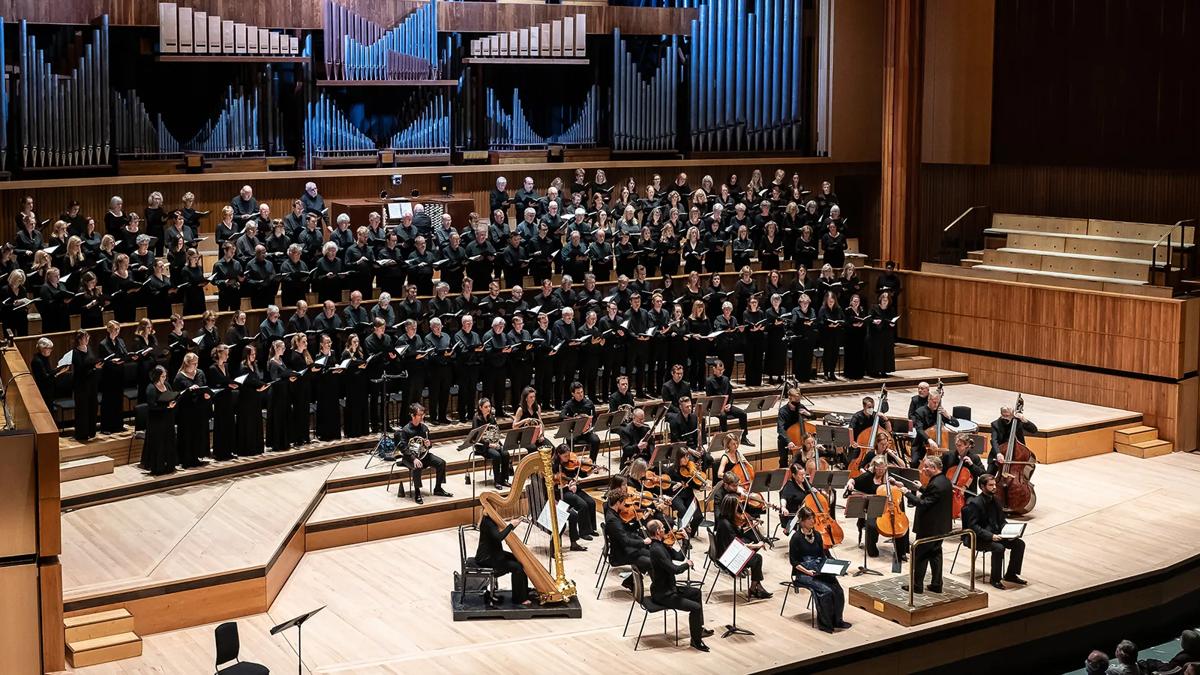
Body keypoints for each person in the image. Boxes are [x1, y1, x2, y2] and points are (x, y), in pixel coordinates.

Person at [644, 519, 712, 651]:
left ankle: (698, 629)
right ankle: (696, 641)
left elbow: (679, 557)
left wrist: (685, 540)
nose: (665, 530)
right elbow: (674, 570)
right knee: (696, 608)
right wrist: (688, 564)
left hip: (670, 588)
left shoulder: (661, 545)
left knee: (696, 592)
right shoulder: (657, 550)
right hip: (663, 594)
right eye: (663, 528)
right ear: (657, 531)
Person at [789, 506, 852, 633]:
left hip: (817, 569)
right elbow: (793, 562)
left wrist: (833, 568)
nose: (813, 521)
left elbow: (822, 556)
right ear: (802, 521)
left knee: (838, 590)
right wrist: (807, 572)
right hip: (802, 573)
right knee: (826, 591)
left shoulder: (817, 535)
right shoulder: (796, 538)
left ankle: (837, 620)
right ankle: (825, 623)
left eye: (813, 518)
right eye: (809, 519)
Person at [962, 473, 1026, 590]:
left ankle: (1011, 574)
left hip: (996, 534)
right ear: (982, 487)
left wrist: (1009, 531)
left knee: (1019, 544)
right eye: (991, 485)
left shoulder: (996, 500)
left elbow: (1001, 520)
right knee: (999, 548)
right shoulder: (975, 503)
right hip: (978, 538)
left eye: (995, 484)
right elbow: (973, 527)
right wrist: (991, 536)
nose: (994, 487)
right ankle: (995, 579)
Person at [899, 456, 953, 594]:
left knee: (921, 555)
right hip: (941, 526)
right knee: (935, 554)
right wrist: (921, 488)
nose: (923, 469)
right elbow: (934, 497)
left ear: (934, 468)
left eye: (926, 467)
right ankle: (936, 584)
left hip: (929, 527)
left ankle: (917, 586)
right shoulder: (945, 481)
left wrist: (907, 493)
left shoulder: (935, 484)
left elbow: (924, 503)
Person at [714, 494, 773, 599]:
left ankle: (756, 587)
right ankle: (754, 588)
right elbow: (737, 545)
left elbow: (737, 533)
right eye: (737, 506)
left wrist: (751, 527)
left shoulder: (724, 519)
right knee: (757, 558)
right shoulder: (726, 525)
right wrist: (756, 545)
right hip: (727, 558)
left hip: (727, 551)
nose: (739, 508)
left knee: (752, 541)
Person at [395, 404, 453, 504]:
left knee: (441, 463)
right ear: (413, 415)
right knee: (417, 466)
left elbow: (428, 446)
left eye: (423, 414)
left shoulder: (424, 428)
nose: (422, 417)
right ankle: (417, 492)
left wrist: (429, 444)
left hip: (423, 455)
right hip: (409, 458)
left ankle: (438, 488)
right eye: (419, 415)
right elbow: (403, 448)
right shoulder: (405, 430)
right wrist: (414, 459)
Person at [475, 514, 532, 607]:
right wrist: (511, 525)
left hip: (493, 553)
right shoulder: (488, 521)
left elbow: (499, 534)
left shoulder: (490, 518)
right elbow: (499, 537)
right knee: (517, 567)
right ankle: (519, 599)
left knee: (518, 558)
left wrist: (512, 526)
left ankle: (523, 591)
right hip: (487, 558)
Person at [551, 443, 597, 551]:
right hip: (562, 492)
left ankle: (590, 529)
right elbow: (554, 484)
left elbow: (581, 474)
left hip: (573, 488)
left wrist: (591, 471)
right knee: (582, 505)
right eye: (565, 456)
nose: (568, 458)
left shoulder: (572, 462)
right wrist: (568, 485)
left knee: (591, 502)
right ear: (559, 455)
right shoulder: (554, 466)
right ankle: (583, 532)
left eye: (568, 455)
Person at [141, 365, 179, 475]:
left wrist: (173, 402)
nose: (164, 378)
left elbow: (172, 396)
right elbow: (152, 406)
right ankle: (158, 467)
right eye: (162, 376)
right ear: (156, 376)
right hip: (156, 420)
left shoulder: (167, 384)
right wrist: (166, 407)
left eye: (165, 376)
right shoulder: (151, 388)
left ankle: (169, 465)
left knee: (169, 440)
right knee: (159, 443)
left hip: (168, 418)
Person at [705, 359, 751, 445]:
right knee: (723, 416)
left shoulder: (726, 379)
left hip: (727, 406)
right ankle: (726, 440)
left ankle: (744, 438)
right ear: (714, 369)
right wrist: (721, 407)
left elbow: (731, 394)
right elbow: (710, 398)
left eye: (722, 370)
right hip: (716, 408)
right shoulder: (709, 381)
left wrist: (729, 404)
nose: (721, 372)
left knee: (743, 413)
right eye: (719, 370)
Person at [234, 345, 268, 457]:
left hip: (255, 398)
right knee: (248, 424)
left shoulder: (254, 365)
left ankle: (256, 447)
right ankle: (247, 449)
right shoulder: (242, 367)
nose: (254, 356)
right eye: (252, 354)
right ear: (247, 354)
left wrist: (261, 387)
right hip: (246, 399)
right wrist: (257, 388)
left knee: (255, 422)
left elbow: (256, 380)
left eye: (254, 354)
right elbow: (243, 384)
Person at [96, 321, 128, 434]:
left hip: (119, 374)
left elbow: (124, 354)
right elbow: (102, 360)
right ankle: (106, 427)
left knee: (118, 400)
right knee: (108, 401)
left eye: (118, 329)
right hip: (109, 376)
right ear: (109, 330)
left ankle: (118, 425)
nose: (117, 332)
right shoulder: (103, 344)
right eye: (115, 329)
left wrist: (124, 358)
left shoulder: (120, 341)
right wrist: (111, 361)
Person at [471, 398, 512, 488]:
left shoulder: (491, 417)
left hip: (493, 443)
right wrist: (489, 444)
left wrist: (497, 443)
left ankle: (504, 479)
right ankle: (497, 481)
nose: (488, 409)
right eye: (486, 407)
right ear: (480, 407)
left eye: (489, 406)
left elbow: (496, 431)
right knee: (496, 456)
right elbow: (476, 437)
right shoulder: (476, 418)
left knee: (505, 453)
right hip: (482, 446)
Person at [208, 345, 238, 461]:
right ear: (219, 354)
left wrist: (230, 384)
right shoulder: (212, 368)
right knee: (221, 425)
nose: (227, 356)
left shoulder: (226, 366)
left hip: (228, 397)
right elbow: (216, 383)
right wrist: (228, 384)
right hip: (220, 399)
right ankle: (220, 452)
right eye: (226, 354)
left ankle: (229, 450)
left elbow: (227, 380)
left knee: (229, 424)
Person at [989, 405, 1038, 474]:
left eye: (1007, 416)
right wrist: (998, 453)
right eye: (1003, 415)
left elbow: (1034, 430)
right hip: (1000, 453)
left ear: (1013, 414)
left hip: (1017, 454)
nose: (1005, 418)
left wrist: (1024, 419)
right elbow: (994, 440)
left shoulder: (1018, 422)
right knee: (988, 474)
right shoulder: (995, 424)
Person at [70, 330, 101, 442]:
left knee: (93, 406)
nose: (87, 339)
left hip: (92, 383)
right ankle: (82, 434)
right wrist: (94, 368)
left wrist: (97, 364)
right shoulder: (75, 352)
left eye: (88, 337)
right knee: (82, 409)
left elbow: (92, 361)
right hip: (81, 384)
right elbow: (79, 370)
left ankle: (91, 432)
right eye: (85, 337)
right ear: (79, 339)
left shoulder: (89, 348)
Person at [912, 392, 957, 466]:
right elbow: (919, 430)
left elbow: (956, 424)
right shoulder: (919, 412)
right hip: (922, 443)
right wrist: (929, 440)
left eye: (938, 402)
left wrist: (948, 416)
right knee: (914, 462)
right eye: (934, 402)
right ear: (929, 400)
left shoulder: (940, 412)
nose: (936, 405)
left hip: (940, 446)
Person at [561, 381, 600, 461]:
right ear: (573, 394)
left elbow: (594, 418)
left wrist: (591, 426)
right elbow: (561, 415)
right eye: (578, 393)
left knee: (596, 440)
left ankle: (592, 462)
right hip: (574, 432)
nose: (581, 394)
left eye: (582, 392)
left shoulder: (589, 403)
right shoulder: (569, 404)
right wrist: (574, 419)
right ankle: (572, 461)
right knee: (569, 439)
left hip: (587, 432)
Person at [776, 387, 813, 467]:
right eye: (795, 402)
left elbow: (814, 417)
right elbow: (780, 429)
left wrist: (808, 414)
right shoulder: (783, 411)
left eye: (798, 401)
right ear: (790, 398)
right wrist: (789, 441)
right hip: (786, 437)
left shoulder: (800, 406)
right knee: (783, 460)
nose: (797, 405)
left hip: (800, 438)